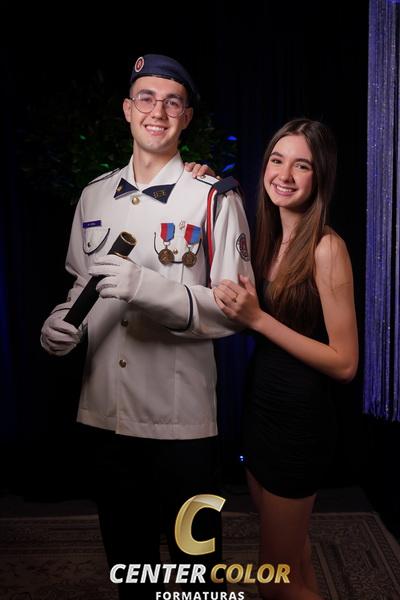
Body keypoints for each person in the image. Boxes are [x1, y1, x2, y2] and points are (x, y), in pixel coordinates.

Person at [40, 53, 253, 599]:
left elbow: (236, 312)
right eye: (147, 99)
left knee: (196, 576)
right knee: (129, 568)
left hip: (181, 421)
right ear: (127, 110)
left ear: (186, 118)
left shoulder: (213, 198)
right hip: (104, 414)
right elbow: (83, 285)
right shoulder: (93, 195)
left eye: (172, 102)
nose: (158, 111)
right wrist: (63, 323)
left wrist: (147, 288)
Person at [214, 118, 358, 600]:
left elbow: (345, 363)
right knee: (294, 560)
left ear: (321, 177)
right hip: (262, 410)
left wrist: (258, 319)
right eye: (277, 160)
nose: (285, 175)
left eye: (302, 165)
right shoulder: (269, 237)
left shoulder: (327, 248)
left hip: (299, 423)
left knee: (275, 583)